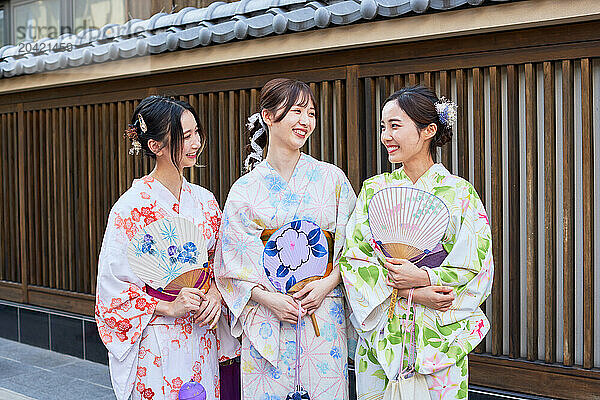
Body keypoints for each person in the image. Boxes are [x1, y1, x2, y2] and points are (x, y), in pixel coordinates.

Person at [340, 85, 493, 399]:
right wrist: (412, 291)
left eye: (395, 126)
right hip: (385, 328)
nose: (385, 136)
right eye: (383, 127)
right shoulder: (373, 189)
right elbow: (355, 259)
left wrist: (426, 276)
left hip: (438, 333)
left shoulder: (459, 193)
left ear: (429, 131)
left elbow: (478, 267)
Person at [214, 78, 357, 399]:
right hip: (267, 317)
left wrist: (327, 284)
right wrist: (269, 300)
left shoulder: (331, 179)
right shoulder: (245, 190)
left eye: (311, 113)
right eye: (296, 111)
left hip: (322, 310)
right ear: (268, 116)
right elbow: (229, 266)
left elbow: (356, 248)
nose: (306, 121)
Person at [95, 95, 239, 400]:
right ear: (155, 146)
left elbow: (221, 262)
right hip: (156, 338)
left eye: (196, 132)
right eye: (185, 137)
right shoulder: (131, 208)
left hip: (202, 332)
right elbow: (112, 289)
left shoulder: (205, 201)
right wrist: (168, 306)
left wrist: (214, 292)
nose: (196, 142)